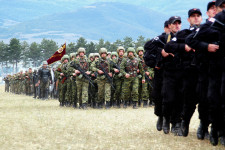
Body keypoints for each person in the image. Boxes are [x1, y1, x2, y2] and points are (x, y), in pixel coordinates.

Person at [185, 0, 225, 146]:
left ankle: (220, 130)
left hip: (221, 68)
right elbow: (191, 40)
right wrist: (206, 46)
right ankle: (207, 125)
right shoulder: (209, 25)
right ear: (210, 11)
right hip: (207, 69)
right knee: (207, 100)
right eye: (218, 8)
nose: (218, 10)